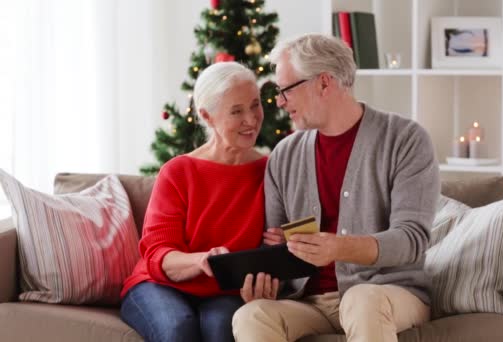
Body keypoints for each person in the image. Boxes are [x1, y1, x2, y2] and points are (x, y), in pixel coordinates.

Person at [233, 34, 440, 342]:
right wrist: (267, 276)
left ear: (324, 83)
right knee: (251, 316)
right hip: (309, 302)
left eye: (285, 89)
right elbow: (274, 247)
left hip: (388, 294)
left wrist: (339, 247)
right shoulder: (284, 155)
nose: (279, 101)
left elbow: (411, 240)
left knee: (362, 300)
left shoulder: (405, 139)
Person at [120, 61, 267, 342]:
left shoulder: (270, 172)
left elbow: (276, 246)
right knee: (178, 328)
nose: (251, 119)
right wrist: (202, 261)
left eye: (255, 104)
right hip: (159, 285)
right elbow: (158, 253)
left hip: (226, 291)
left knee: (222, 329)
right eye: (237, 111)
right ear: (207, 116)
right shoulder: (178, 171)